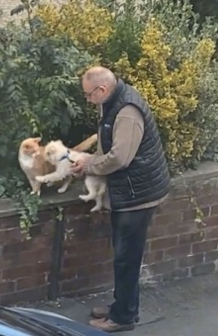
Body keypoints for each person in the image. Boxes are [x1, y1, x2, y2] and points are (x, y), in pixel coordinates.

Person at [71, 66, 170, 333]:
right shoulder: (114, 101)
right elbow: (110, 147)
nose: (88, 100)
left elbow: (120, 158)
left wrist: (91, 166)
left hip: (138, 195)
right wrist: (91, 160)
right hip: (131, 190)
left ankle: (123, 317)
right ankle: (121, 305)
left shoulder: (127, 111)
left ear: (102, 90)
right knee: (124, 254)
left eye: (89, 95)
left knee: (127, 257)